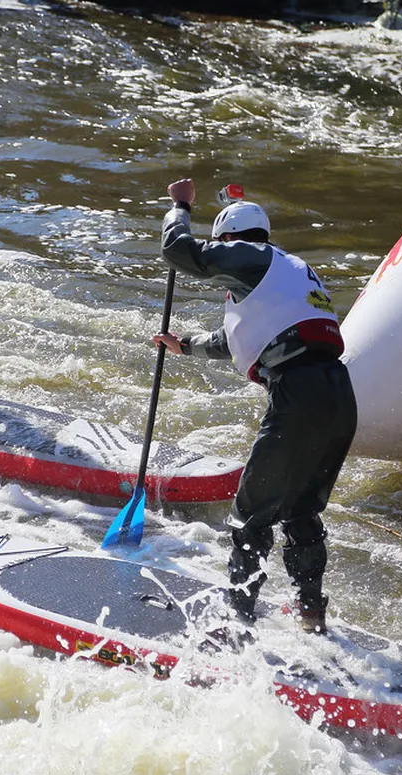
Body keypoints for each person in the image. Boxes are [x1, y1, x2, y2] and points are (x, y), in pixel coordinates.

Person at [153, 179, 356, 634]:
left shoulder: (250, 255)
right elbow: (234, 340)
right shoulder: (288, 272)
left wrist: (179, 207)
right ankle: (311, 614)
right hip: (339, 394)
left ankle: (238, 618)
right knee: (300, 510)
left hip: (299, 392)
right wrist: (184, 345)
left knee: (251, 513)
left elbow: (179, 252)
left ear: (230, 238)